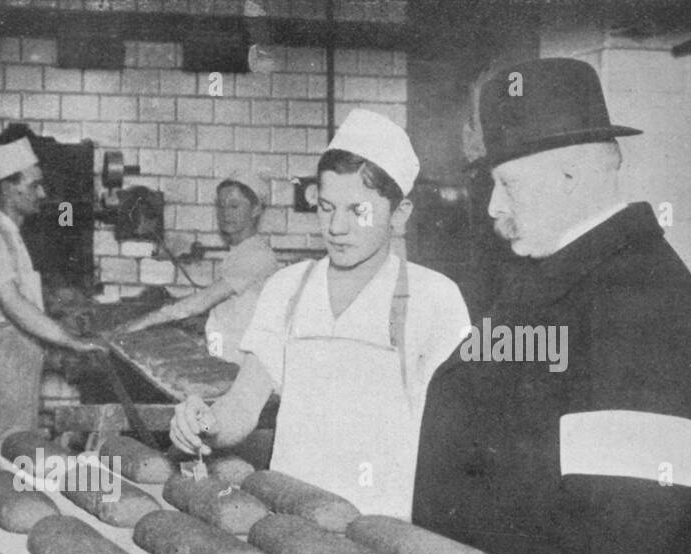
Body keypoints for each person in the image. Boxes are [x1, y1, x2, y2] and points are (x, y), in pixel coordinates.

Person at [413, 58, 691, 554]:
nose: (495, 206)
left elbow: (631, 534)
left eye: (506, 183)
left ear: (571, 176)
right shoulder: (556, 272)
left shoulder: (639, 294)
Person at [170, 109, 471, 519]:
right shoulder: (287, 289)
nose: (337, 227)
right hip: (290, 520)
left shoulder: (433, 298)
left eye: (357, 211)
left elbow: (455, 438)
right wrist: (203, 423)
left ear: (399, 214)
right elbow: (242, 405)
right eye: (327, 208)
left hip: (384, 528)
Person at [0, 134, 106, 442]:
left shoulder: (9, 234)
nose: (43, 192)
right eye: (34, 185)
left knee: (17, 449)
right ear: (9, 187)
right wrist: (70, 341)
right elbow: (14, 305)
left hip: (12, 364)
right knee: (0, 455)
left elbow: (20, 300)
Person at [119, 171, 279, 365]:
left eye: (235, 206)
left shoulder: (258, 255)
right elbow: (228, 311)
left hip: (242, 363)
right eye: (221, 206)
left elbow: (203, 301)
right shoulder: (239, 252)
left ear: (256, 210)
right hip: (224, 355)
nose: (226, 213)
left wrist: (143, 322)